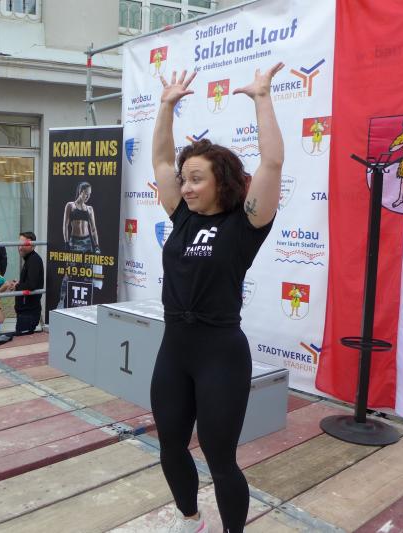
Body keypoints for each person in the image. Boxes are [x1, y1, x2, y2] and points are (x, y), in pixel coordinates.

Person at [149, 64, 283, 533]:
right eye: (184, 179)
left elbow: (271, 164)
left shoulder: (245, 223)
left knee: (220, 458)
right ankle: (190, 518)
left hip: (220, 353)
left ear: (220, 181)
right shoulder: (181, 215)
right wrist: (166, 106)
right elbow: (160, 162)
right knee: (170, 445)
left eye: (196, 179)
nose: (185, 187)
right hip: (175, 348)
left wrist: (262, 98)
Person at [3, 231, 44, 335]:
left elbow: (32, 285)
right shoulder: (30, 259)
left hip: (28, 312)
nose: (20, 247)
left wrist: (17, 285)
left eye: (24, 244)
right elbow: (31, 282)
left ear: (33, 245)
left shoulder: (33, 260)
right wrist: (19, 283)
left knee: (22, 338)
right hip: (26, 312)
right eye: (19, 244)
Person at [63, 182, 100, 253]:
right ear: (80, 192)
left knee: (88, 260)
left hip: (87, 242)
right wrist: (66, 242)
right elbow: (65, 226)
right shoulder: (70, 205)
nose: (88, 196)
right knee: (73, 261)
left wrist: (96, 246)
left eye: (89, 194)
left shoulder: (89, 209)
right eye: (86, 193)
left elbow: (93, 229)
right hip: (75, 242)